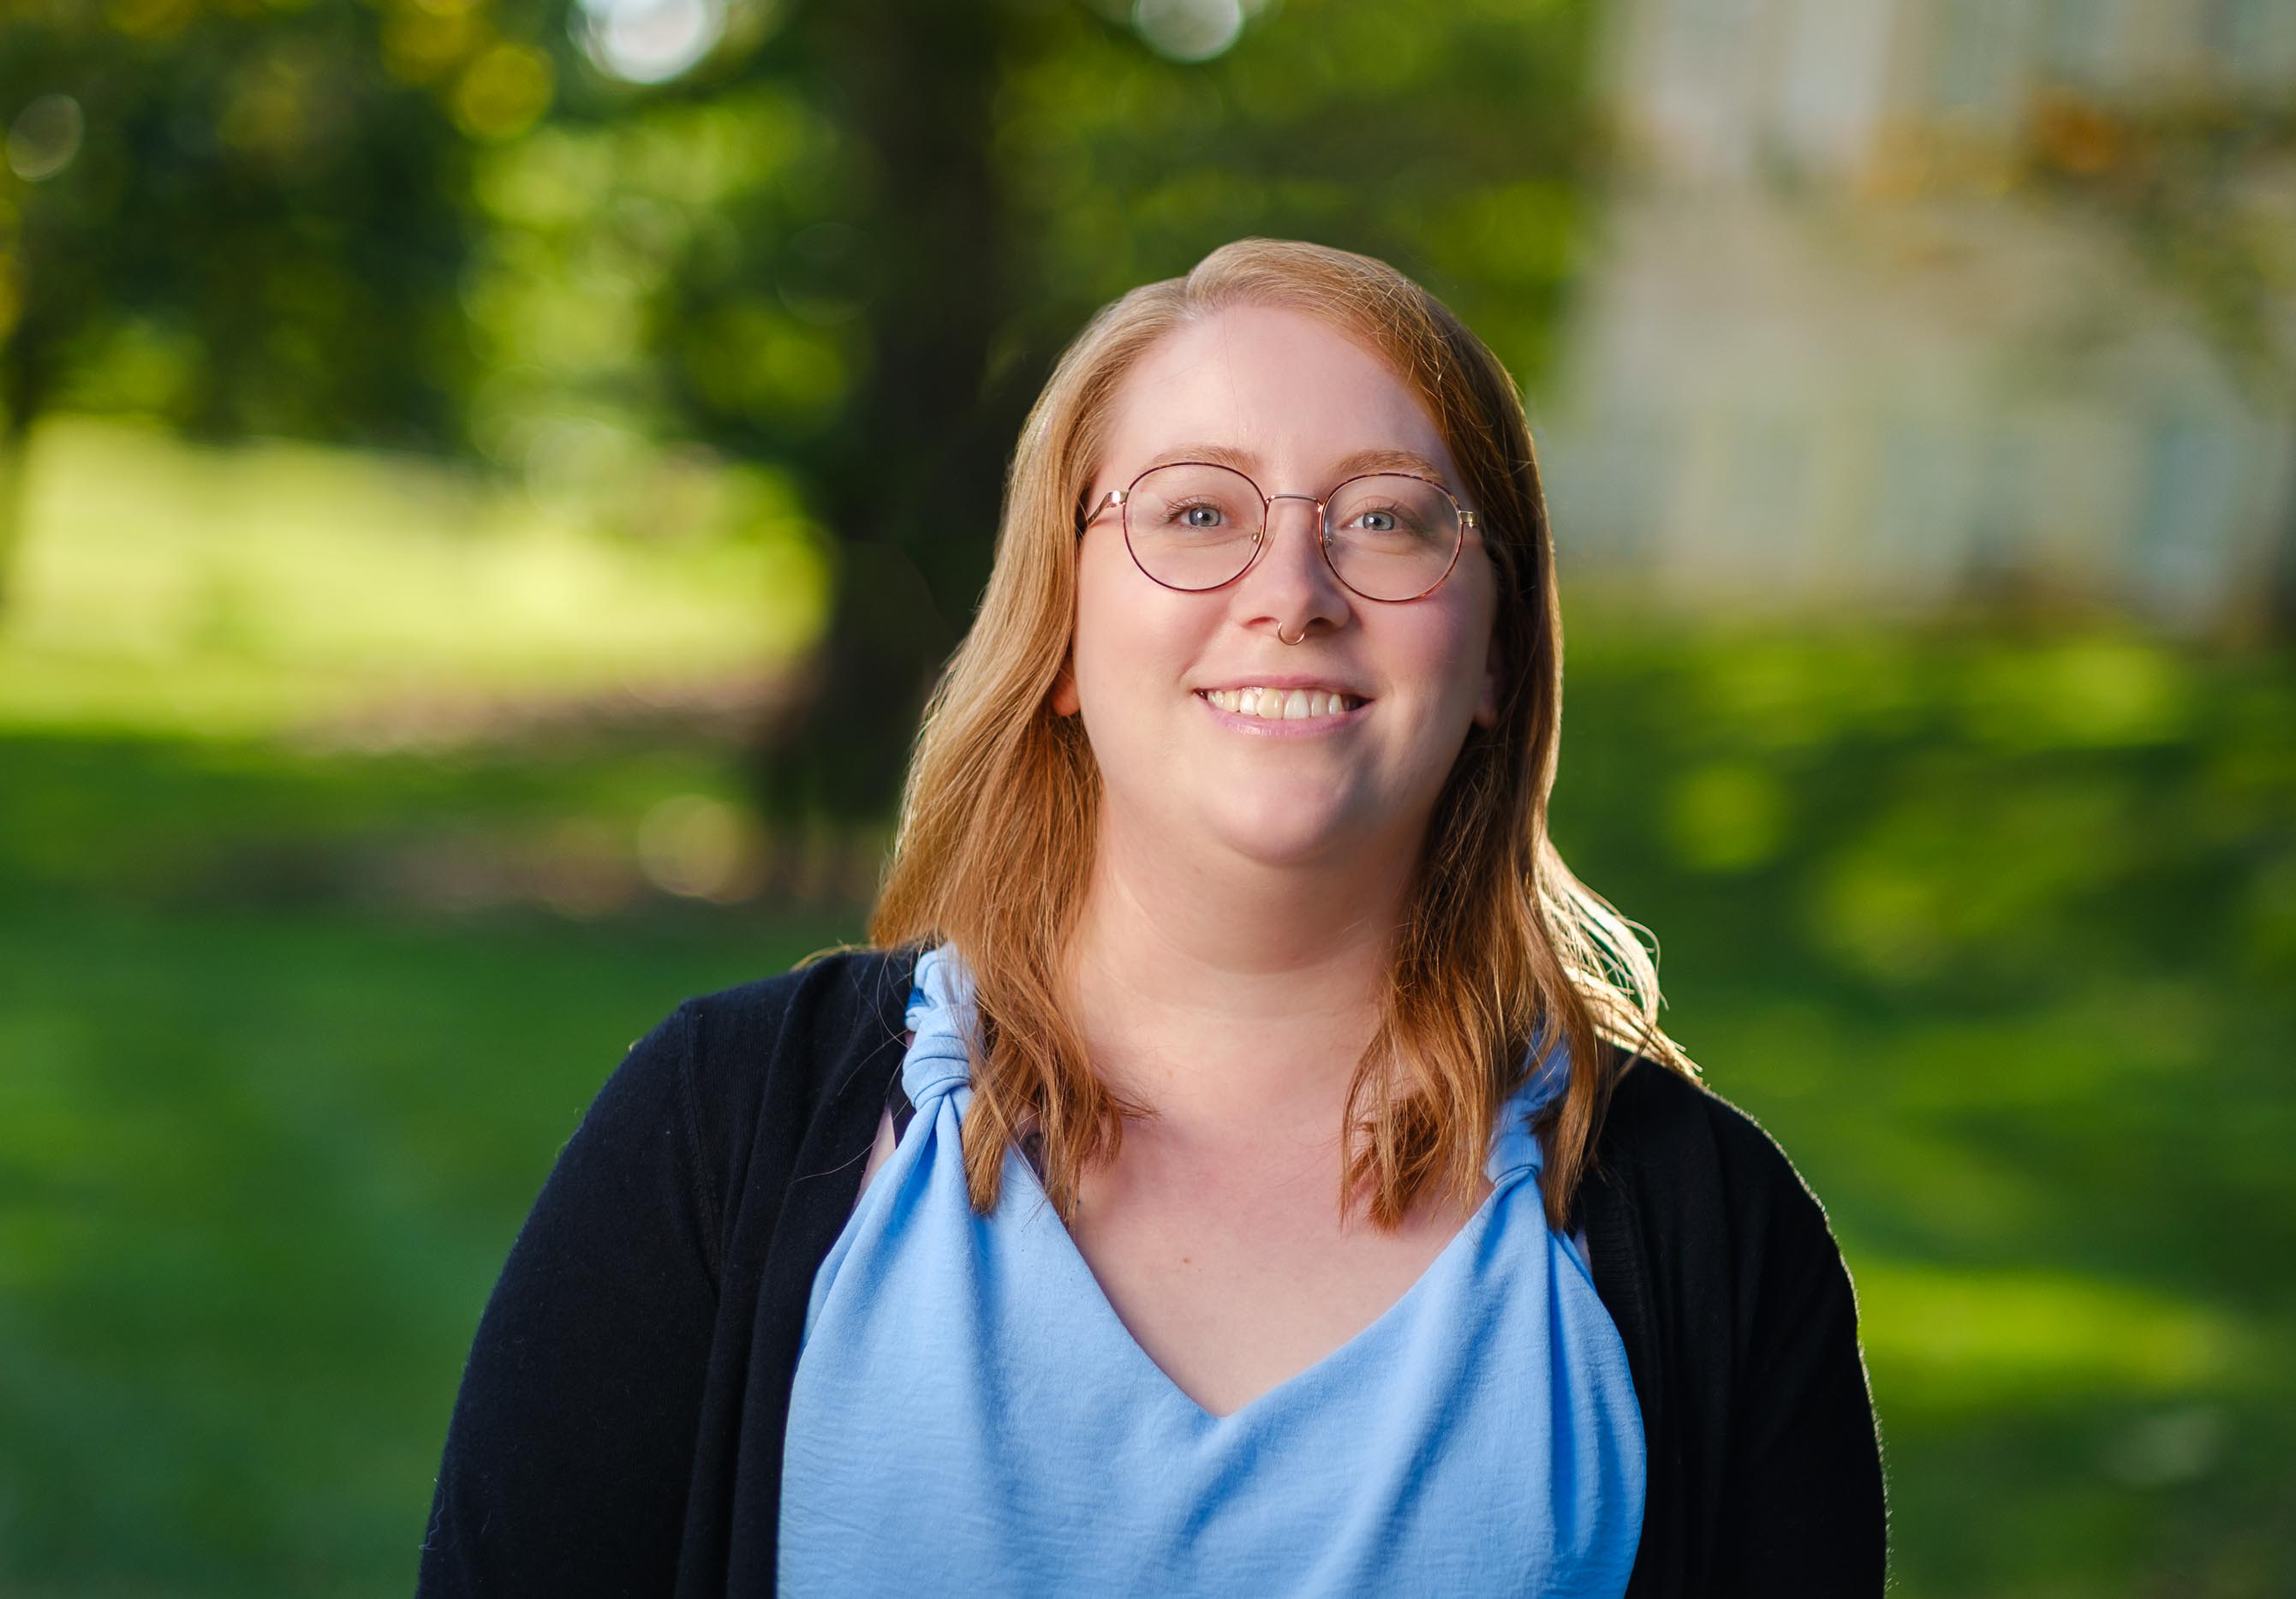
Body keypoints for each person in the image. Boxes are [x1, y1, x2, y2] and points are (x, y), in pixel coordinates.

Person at [416, 238, 1887, 1598]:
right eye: (1197, 512)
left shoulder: (1711, 1243)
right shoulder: (724, 1129)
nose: (1292, 593)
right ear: (1061, 625)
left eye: (1385, 519)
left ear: (1498, 646)